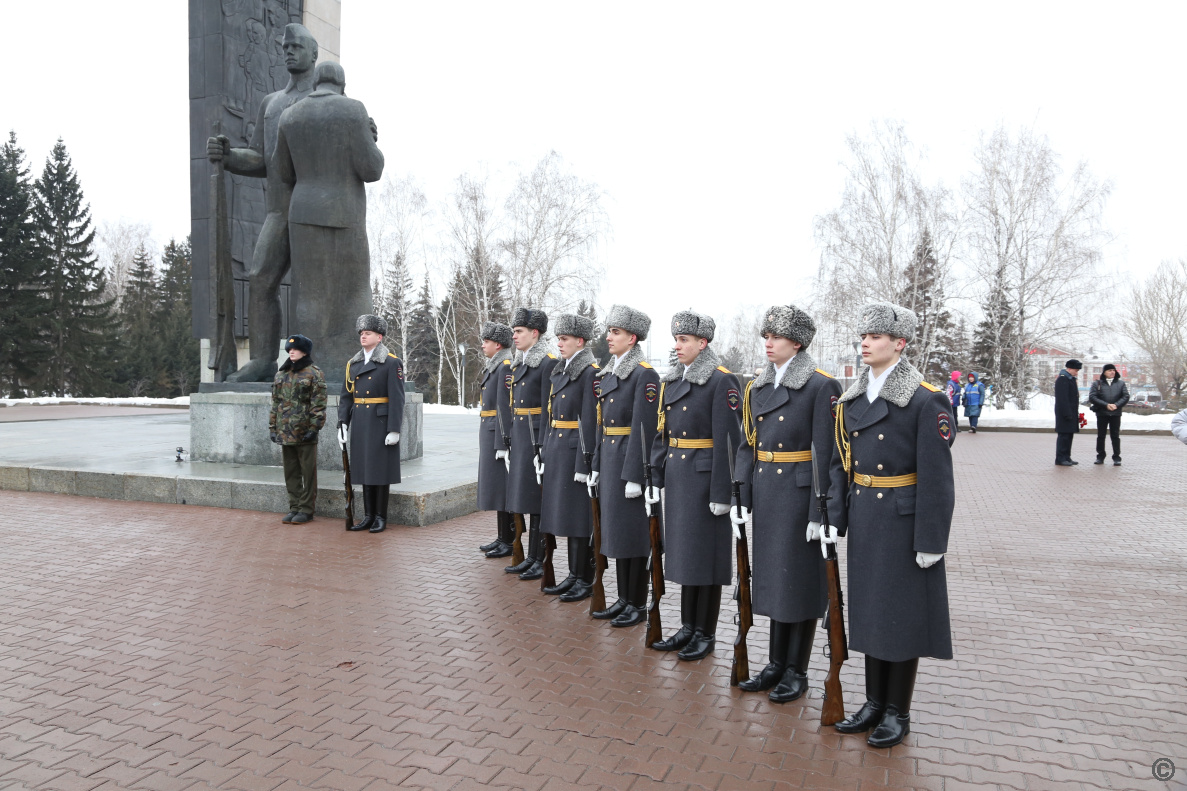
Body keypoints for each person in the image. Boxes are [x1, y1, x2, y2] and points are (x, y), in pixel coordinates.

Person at [822, 301, 955, 749]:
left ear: (899, 343)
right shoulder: (854, 397)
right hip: (866, 515)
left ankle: (898, 710)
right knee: (871, 612)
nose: (865, 342)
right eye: (863, 335)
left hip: (902, 520)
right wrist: (834, 519)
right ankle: (874, 702)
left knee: (901, 618)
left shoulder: (924, 398)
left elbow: (937, 476)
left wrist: (932, 539)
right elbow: (844, 464)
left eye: (875, 336)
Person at [730, 305, 844, 702]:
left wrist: (820, 510)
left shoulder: (819, 386)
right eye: (766, 336)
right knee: (776, 581)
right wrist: (741, 496)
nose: (768, 342)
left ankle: (797, 670)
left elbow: (828, 453)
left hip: (799, 496)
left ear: (797, 342)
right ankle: (776, 663)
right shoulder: (758, 386)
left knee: (799, 583)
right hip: (766, 491)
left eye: (776, 337)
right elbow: (748, 446)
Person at [207, 23, 318, 383]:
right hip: (279, 209)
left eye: (296, 46)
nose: (288, 51)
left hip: (314, 211)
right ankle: (261, 360)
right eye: (285, 47)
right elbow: (259, 158)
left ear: (314, 54)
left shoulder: (326, 101)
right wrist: (228, 156)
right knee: (259, 279)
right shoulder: (271, 104)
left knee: (310, 289)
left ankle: (310, 361)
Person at [274, 60, 385, 384]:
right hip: (344, 213)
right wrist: (371, 138)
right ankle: (353, 369)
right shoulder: (353, 111)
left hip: (304, 213)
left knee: (309, 296)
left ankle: (309, 371)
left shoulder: (290, 115)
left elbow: (283, 172)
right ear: (342, 85)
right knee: (354, 292)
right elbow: (371, 169)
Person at [646, 310, 741, 661]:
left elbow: (729, 441)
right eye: (676, 339)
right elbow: (662, 432)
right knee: (686, 557)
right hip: (679, 477)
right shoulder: (672, 380)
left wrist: (723, 492)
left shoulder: (720, 381)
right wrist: (655, 476)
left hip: (705, 481)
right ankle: (688, 627)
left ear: (703, 343)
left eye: (684, 340)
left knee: (708, 560)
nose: (678, 345)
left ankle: (705, 632)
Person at [590, 305, 661, 627]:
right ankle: (622, 598)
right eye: (609, 331)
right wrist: (595, 464)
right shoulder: (612, 371)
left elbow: (644, 429)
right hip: (609, 457)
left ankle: (637, 603)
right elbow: (601, 422)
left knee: (634, 537)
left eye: (616, 332)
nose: (609, 337)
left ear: (632, 338)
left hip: (628, 463)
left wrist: (635, 475)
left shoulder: (643, 374)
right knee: (616, 534)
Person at [539, 314, 600, 601]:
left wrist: (584, 464)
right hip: (558, 447)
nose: (559, 343)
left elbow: (589, 420)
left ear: (580, 341)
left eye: (564, 339)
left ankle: (585, 578)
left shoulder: (589, 372)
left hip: (575, 450)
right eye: (558, 338)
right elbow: (551, 414)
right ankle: (573, 574)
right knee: (564, 514)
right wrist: (545, 449)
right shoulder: (561, 371)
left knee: (579, 518)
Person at [497, 308, 557, 580]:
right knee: (526, 496)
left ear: (535, 333)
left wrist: (543, 444)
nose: (514, 336)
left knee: (537, 499)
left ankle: (539, 558)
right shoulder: (520, 361)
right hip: (521, 434)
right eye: (514, 331)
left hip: (535, 436)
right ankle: (530, 556)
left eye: (519, 331)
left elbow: (548, 407)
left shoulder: (546, 362)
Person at [337, 314, 405, 533]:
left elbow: (397, 398)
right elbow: (346, 396)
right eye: (361, 333)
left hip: (380, 421)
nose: (363, 336)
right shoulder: (354, 364)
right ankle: (367, 516)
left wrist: (394, 429)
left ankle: (380, 516)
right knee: (365, 469)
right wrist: (343, 424)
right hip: (360, 421)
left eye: (368, 333)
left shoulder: (391, 362)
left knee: (379, 470)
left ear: (380, 336)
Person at [269, 334, 326, 524]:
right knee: (291, 472)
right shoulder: (281, 374)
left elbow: (318, 404)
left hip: (304, 431)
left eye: (296, 349)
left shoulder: (313, 373)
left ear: (305, 352)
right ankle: (294, 507)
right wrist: (273, 427)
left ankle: (307, 509)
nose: (291, 352)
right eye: (289, 349)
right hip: (285, 431)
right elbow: (276, 403)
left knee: (308, 472)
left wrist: (314, 427)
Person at [477, 321, 515, 557]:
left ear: (498, 344)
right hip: (489, 430)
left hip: (496, 433)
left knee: (504, 489)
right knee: (497, 489)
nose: (483, 345)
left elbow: (505, 407)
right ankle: (502, 536)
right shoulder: (495, 366)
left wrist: (503, 441)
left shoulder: (505, 367)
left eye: (486, 341)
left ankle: (509, 540)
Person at [1088, 363, 1129, 465]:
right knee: (1101, 436)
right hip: (1102, 413)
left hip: (1115, 413)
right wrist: (1106, 405)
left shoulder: (1121, 383)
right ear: (1104, 372)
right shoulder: (1097, 384)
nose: (1112, 372)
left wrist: (1116, 405)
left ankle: (1117, 457)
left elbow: (1126, 396)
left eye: (1113, 370)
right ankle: (1100, 456)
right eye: (1109, 370)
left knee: (1115, 436)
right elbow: (1092, 397)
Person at [1054, 359, 1083, 466]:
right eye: (1075, 370)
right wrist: (1067, 413)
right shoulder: (1063, 379)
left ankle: (1067, 456)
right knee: (1064, 436)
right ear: (1069, 369)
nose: (1077, 372)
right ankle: (1060, 458)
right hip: (1064, 413)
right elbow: (1062, 399)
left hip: (1071, 412)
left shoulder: (1070, 379)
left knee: (1069, 435)